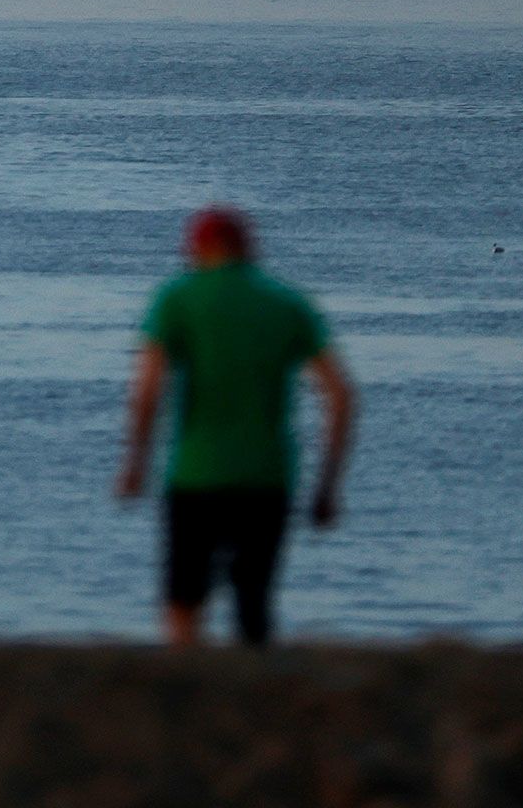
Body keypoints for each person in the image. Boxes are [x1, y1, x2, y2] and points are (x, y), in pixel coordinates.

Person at [117, 205, 354, 647]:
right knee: (254, 603)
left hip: (196, 474)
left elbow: (149, 389)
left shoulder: (177, 298)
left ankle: (187, 688)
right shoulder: (288, 303)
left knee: (183, 601)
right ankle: (257, 695)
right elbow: (341, 396)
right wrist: (328, 485)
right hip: (267, 478)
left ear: (198, 249)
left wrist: (135, 463)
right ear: (249, 248)